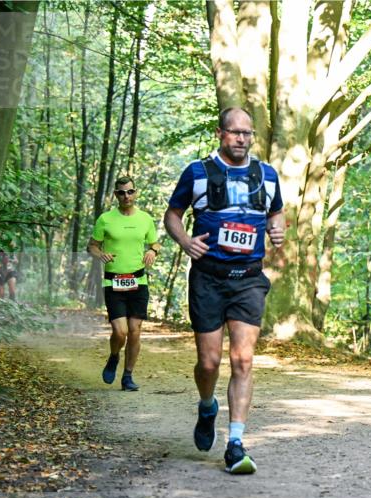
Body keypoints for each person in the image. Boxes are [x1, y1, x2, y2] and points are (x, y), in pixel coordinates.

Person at [163, 107, 285, 475]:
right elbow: (173, 214)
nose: (242, 139)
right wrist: (186, 241)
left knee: (243, 360)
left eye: (247, 134)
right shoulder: (197, 172)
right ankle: (206, 405)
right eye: (235, 133)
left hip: (248, 277)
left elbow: (276, 212)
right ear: (221, 133)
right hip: (209, 277)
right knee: (209, 362)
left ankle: (235, 442)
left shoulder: (266, 174)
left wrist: (277, 230)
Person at [87, 176, 161, 392]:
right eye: (121, 192)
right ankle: (113, 356)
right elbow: (91, 246)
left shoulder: (145, 219)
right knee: (120, 331)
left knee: (135, 330)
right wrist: (100, 254)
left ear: (135, 192)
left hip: (138, 281)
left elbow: (155, 242)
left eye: (129, 191)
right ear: (116, 195)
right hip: (114, 283)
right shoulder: (105, 219)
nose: (126, 196)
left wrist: (152, 250)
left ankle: (128, 376)